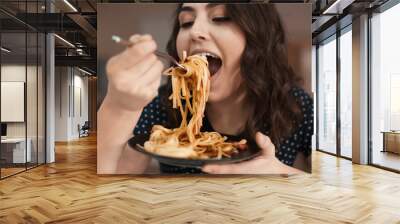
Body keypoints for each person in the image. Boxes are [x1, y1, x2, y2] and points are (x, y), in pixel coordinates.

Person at [98, 3, 313, 174]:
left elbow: (337, 191)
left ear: (259, 39)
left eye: (220, 17)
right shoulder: (165, 104)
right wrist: (119, 107)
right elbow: (113, 181)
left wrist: (284, 174)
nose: (195, 31)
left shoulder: (297, 106)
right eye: (186, 22)